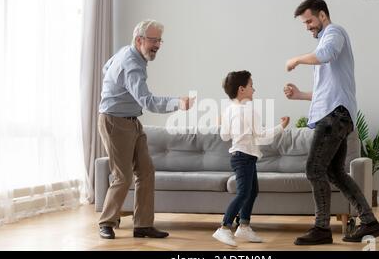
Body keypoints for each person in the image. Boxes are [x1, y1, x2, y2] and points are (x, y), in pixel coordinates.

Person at [284, 0, 379, 245]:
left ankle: (321, 228)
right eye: (304, 23)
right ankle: (369, 221)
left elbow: (325, 55)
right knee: (333, 171)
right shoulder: (324, 42)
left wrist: (296, 59)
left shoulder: (334, 33)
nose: (307, 26)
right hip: (335, 113)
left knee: (313, 169)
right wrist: (300, 95)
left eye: (309, 20)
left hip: (334, 115)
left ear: (323, 16)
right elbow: (327, 90)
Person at [98, 19, 195, 239]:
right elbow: (147, 101)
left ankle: (142, 225)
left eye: (160, 40)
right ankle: (106, 222)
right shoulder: (131, 64)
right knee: (123, 176)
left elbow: (107, 67)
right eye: (154, 40)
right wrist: (177, 103)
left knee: (146, 171)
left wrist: (114, 86)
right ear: (139, 39)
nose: (158, 45)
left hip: (131, 120)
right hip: (115, 121)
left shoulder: (129, 53)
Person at [214, 70, 290, 246]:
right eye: (251, 86)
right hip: (244, 157)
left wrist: (222, 122)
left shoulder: (228, 111)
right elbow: (262, 136)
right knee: (243, 193)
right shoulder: (249, 111)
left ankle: (244, 227)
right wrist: (282, 126)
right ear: (242, 89)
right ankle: (224, 228)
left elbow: (225, 136)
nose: (254, 89)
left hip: (240, 157)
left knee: (252, 191)